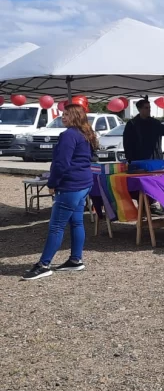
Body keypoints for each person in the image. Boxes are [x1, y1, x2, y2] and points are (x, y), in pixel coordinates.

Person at [23, 104, 97, 280]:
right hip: (84, 183)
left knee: (56, 226)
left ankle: (44, 265)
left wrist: (52, 183)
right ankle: (75, 260)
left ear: (75, 116)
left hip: (70, 186)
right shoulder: (85, 134)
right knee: (77, 223)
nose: (63, 117)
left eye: (66, 114)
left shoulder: (69, 135)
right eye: (62, 114)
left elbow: (61, 163)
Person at [123, 98, 164, 162]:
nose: (149, 110)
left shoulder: (155, 123)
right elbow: (127, 143)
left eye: (149, 108)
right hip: (138, 159)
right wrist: (129, 159)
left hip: (155, 158)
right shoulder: (132, 124)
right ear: (139, 109)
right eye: (146, 108)